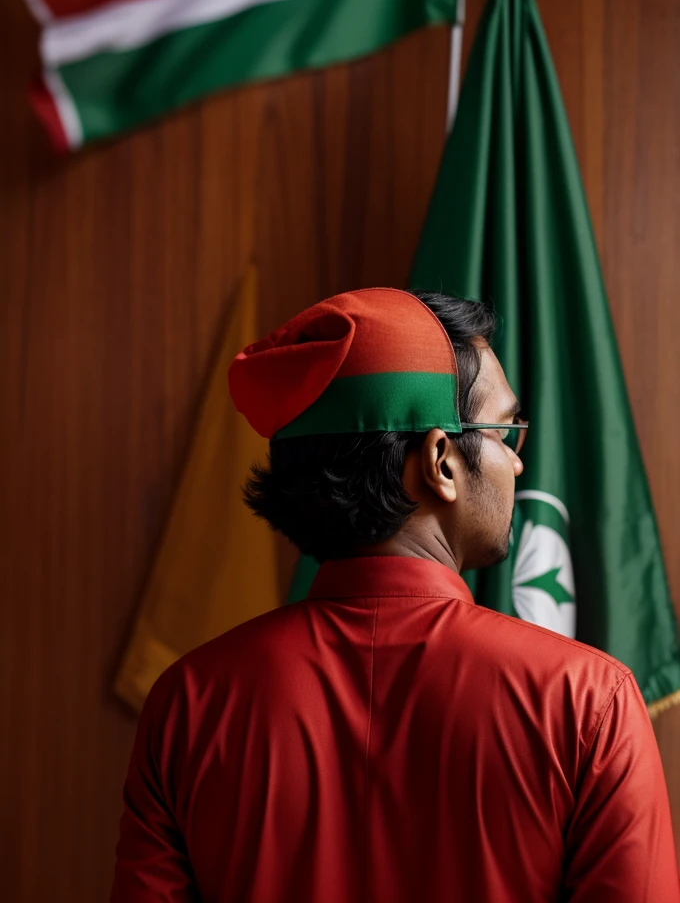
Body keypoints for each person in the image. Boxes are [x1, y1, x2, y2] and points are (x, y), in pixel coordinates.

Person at [110, 287, 679, 902]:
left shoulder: (188, 706)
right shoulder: (587, 703)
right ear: (440, 460)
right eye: (504, 431)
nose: (517, 464)